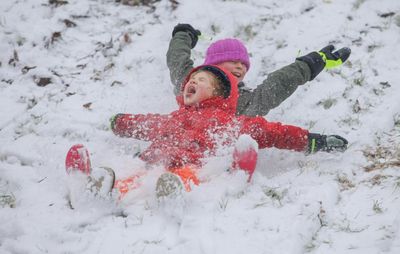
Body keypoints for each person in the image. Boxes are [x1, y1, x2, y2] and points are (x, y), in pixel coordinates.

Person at [66, 65, 348, 200]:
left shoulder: (230, 121)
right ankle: (102, 189)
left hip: (190, 167)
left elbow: (273, 132)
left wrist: (313, 141)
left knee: (182, 176)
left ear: (218, 93)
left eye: (199, 81)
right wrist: (121, 122)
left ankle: (170, 196)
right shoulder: (174, 118)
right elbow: (146, 122)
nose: (191, 82)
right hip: (153, 160)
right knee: (136, 174)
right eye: (191, 79)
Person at [167, 24, 351, 116]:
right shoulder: (189, 81)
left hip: (209, 150)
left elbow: (275, 87)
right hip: (179, 138)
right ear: (213, 64)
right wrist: (184, 35)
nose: (240, 66)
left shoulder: (242, 100)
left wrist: (309, 65)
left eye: (244, 65)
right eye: (233, 61)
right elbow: (178, 59)